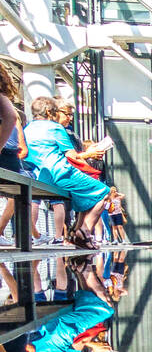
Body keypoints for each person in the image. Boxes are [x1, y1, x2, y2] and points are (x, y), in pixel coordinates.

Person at [23, 96, 109, 247]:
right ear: (50, 112)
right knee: (103, 192)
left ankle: (74, 234)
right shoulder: (55, 128)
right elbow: (72, 156)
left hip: (39, 176)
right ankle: (84, 231)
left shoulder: (27, 129)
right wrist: (90, 154)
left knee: (83, 198)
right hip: (60, 173)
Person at [0, 69, 30, 248]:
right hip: (9, 153)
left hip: (6, 153)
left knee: (16, 190)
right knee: (15, 191)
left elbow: (11, 117)